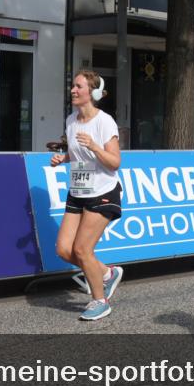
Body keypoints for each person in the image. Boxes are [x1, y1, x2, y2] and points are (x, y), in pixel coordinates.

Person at [51, 69, 125, 320]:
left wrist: (94, 145)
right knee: (63, 249)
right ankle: (107, 273)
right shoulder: (71, 120)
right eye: (73, 86)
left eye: (79, 86)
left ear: (92, 93)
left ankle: (99, 300)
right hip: (78, 190)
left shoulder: (105, 122)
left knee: (82, 249)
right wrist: (64, 158)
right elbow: (77, 153)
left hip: (103, 192)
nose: (73, 90)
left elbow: (114, 162)